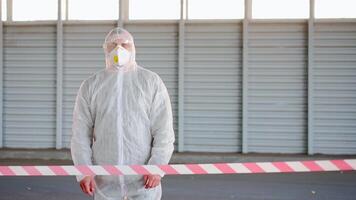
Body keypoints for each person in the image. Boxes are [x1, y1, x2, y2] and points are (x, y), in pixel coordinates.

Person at [70, 27, 175, 200]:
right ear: (105, 49)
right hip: (105, 184)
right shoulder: (91, 86)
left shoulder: (151, 82)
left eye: (125, 44)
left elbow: (163, 130)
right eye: (113, 45)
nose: (119, 49)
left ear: (133, 48)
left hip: (143, 184)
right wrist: (84, 171)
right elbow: (80, 134)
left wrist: (157, 167)